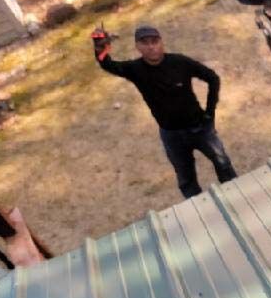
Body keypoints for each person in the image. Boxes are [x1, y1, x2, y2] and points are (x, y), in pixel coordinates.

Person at [92, 24, 238, 199]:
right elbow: (107, 64)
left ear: (162, 42)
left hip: (200, 128)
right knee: (186, 180)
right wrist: (100, 46)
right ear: (138, 47)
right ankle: (200, 213)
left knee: (223, 164)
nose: (151, 46)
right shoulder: (135, 69)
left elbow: (212, 78)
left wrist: (210, 111)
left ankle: (237, 197)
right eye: (145, 43)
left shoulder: (180, 62)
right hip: (171, 135)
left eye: (155, 41)